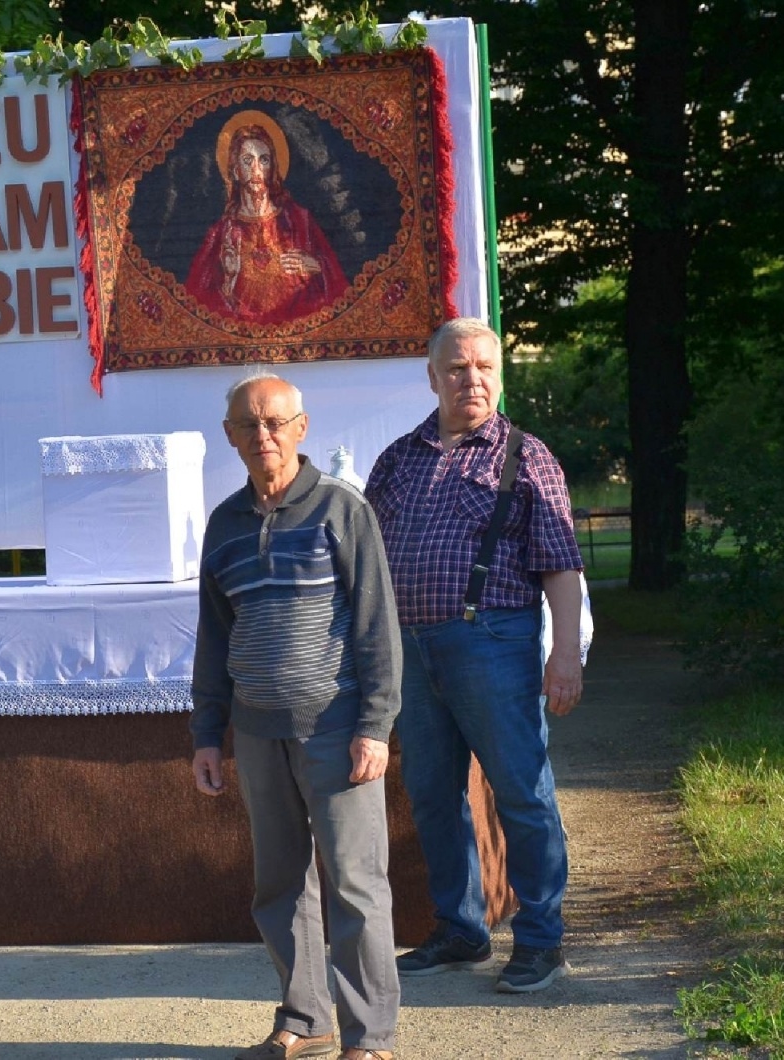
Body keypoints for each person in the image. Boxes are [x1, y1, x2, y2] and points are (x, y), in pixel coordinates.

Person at [365, 317, 586, 995]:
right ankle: (461, 930)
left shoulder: (526, 456)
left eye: (485, 367)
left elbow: (561, 567)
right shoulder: (399, 458)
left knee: (522, 793)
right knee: (432, 796)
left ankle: (543, 940)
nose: (473, 380)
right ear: (433, 378)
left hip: (493, 641)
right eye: (457, 369)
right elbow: (365, 559)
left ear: (499, 373)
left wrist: (567, 655)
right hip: (410, 648)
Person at [191, 373, 401, 1060]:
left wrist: (375, 725)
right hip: (257, 730)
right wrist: (207, 735)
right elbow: (214, 637)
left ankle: (369, 1039)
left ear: (302, 428)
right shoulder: (222, 525)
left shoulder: (343, 511)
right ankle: (304, 1019)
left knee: (355, 885)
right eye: (250, 426)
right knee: (279, 883)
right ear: (231, 437)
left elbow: (377, 628)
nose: (264, 436)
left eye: (277, 422)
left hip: (337, 727)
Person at [185, 113, 349, 324]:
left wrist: (316, 266)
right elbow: (196, 302)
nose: (257, 169)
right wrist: (228, 281)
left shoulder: (299, 220)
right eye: (247, 160)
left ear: (272, 167)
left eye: (264, 159)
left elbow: (339, 285)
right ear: (235, 170)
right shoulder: (221, 233)